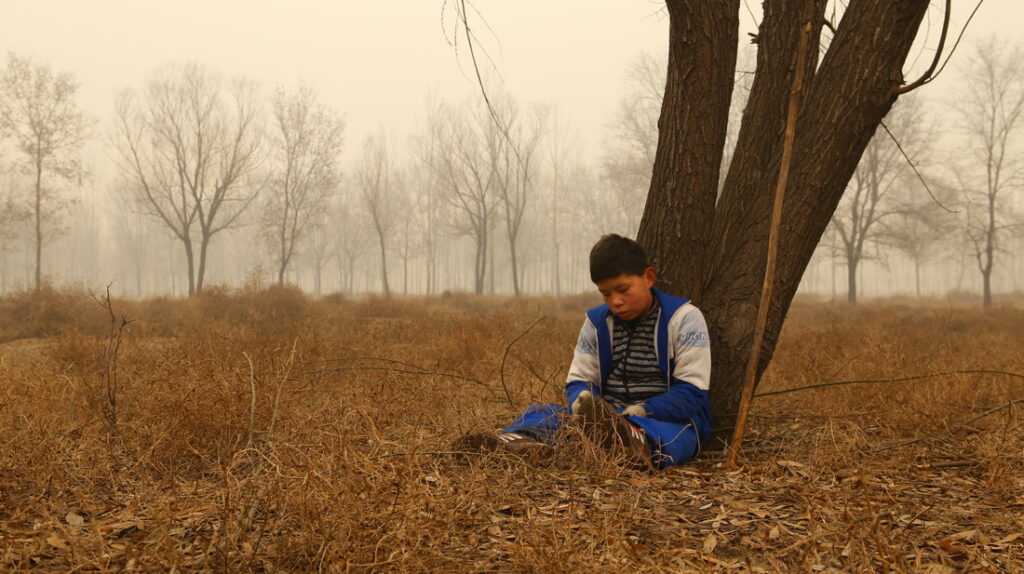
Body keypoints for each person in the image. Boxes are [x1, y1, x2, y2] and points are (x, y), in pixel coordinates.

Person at [460, 234, 711, 470]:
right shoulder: (596, 322)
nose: (615, 301)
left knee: (675, 435)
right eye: (605, 293)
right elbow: (580, 379)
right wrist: (582, 402)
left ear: (648, 277)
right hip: (602, 420)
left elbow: (692, 391)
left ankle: (633, 443)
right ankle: (517, 443)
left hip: (663, 421)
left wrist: (644, 410)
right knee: (543, 412)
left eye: (623, 290)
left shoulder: (684, 318)